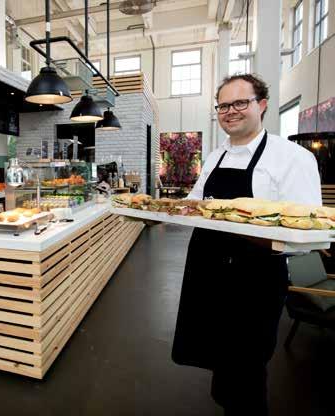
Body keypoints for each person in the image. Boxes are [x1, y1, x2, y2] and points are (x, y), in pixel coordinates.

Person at [171, 74, 322, 416]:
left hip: (255, 280)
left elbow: (307, 234)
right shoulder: (214, 157)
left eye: (241, 102)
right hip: (207, 272)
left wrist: (247, 232)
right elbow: (195, 203)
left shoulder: (293, 158)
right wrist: (156, 212)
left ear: (262, 105)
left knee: (248, 369)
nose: (231, 111)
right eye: (224, 105)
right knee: (221, 361)